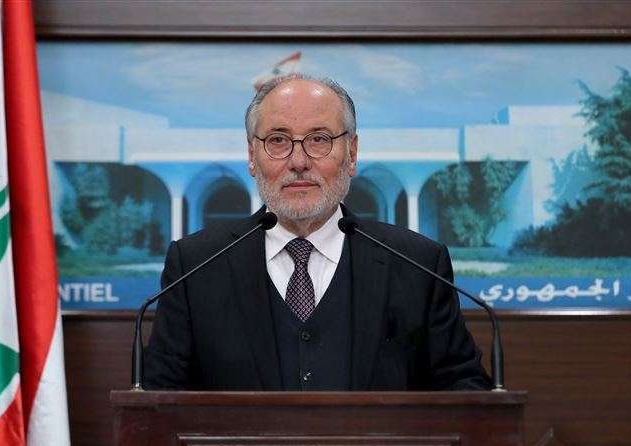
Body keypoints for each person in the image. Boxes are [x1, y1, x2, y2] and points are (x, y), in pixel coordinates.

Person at [144, 74, 490, 390]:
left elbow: (465, 392)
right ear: (252, 156)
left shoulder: (418, 265)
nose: (298, 161)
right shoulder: (195, 265)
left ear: (351, 154)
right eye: (278, 140)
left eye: (319, 139)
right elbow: (158, 399)